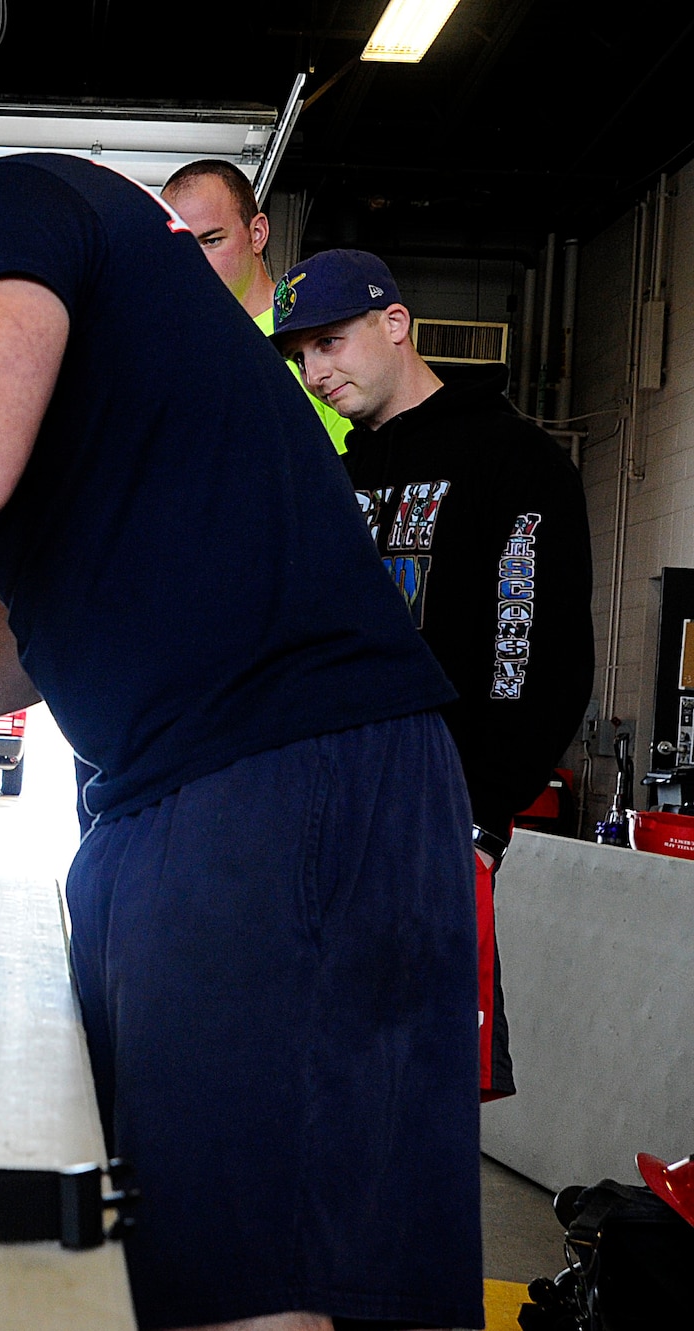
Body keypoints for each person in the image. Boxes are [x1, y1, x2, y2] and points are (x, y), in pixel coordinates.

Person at [0, 163, 480, 1330]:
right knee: (206, 1247)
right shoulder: (36, 362)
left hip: (269, 769)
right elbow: (41, 612)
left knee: (245, 1277)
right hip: (195, 792)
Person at [272, 248, 594, 1102]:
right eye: (301, 355)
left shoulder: (514, 461)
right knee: (318, 1080)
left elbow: (536, 655)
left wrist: (482, 814)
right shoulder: (341, 479)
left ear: (396, 323)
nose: (315, 371)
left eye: (331, 343)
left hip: (438, 827)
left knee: (418, 1090)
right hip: (328, 818)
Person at [160, 159, 352, 452]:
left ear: (257, 234)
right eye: (179, 247)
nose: (192, 263)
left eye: (211, 241)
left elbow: (353, 481)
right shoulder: (169, 353)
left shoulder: (316, 341)